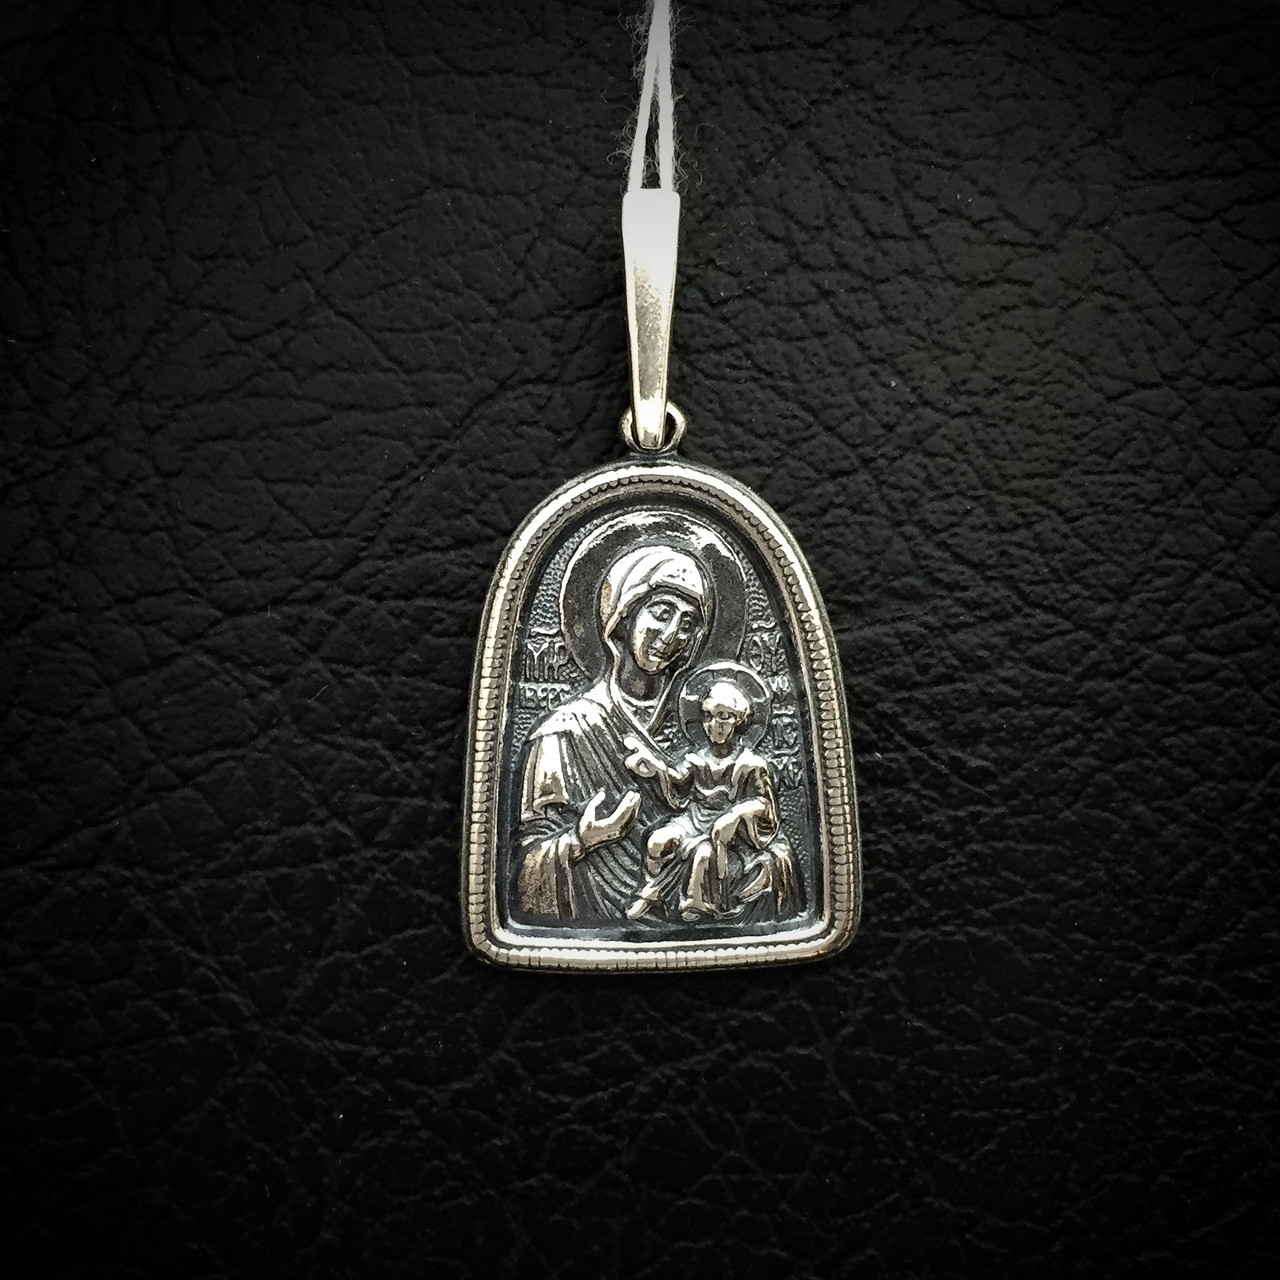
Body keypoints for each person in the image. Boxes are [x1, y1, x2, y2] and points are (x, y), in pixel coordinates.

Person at [514, 543, 712, 921]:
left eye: (688, 624)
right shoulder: (563, 733)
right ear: (624, 616)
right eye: (661, 613)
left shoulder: (706, 723)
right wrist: (583, 840)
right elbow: (526, 865)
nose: (672, 634)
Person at [622, 677, 797, 924]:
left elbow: (765, 805)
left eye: (724, 717)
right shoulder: (695, 759)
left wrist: (736, 814)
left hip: (733, 832)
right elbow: (678, 784)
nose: (715, 725)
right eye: (709, 716)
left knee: (703, 853)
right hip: (694, 819)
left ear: (739, 720)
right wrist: (656, 769)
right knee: (657, 842)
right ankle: (650, 892)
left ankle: (693, 904)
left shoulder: (751, 764)